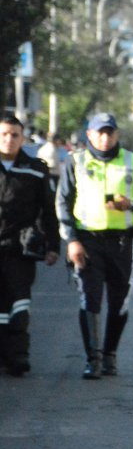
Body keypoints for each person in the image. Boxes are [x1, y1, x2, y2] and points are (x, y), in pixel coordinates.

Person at [56, 113, 133, 379]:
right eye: (99, 132)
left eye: (109, 132)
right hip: (87, 241)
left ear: (117, 134)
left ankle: (110, 353)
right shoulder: (75, 161)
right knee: (89, 298)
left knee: (119, 300)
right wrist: (72, 240)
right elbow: (63, 202)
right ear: (89, 135)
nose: (105, 137)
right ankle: (93, 359)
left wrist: (131, 204)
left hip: (121, 242)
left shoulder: (131, 161)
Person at [0, 115, 61, 376]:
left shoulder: (35, 168)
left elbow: (48, 210)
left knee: (19, 303)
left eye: (15, 135)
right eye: (4, 134)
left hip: (19, 249)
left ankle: (18, 356)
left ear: (23, 139)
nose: (9, 139)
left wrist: (53, 246)